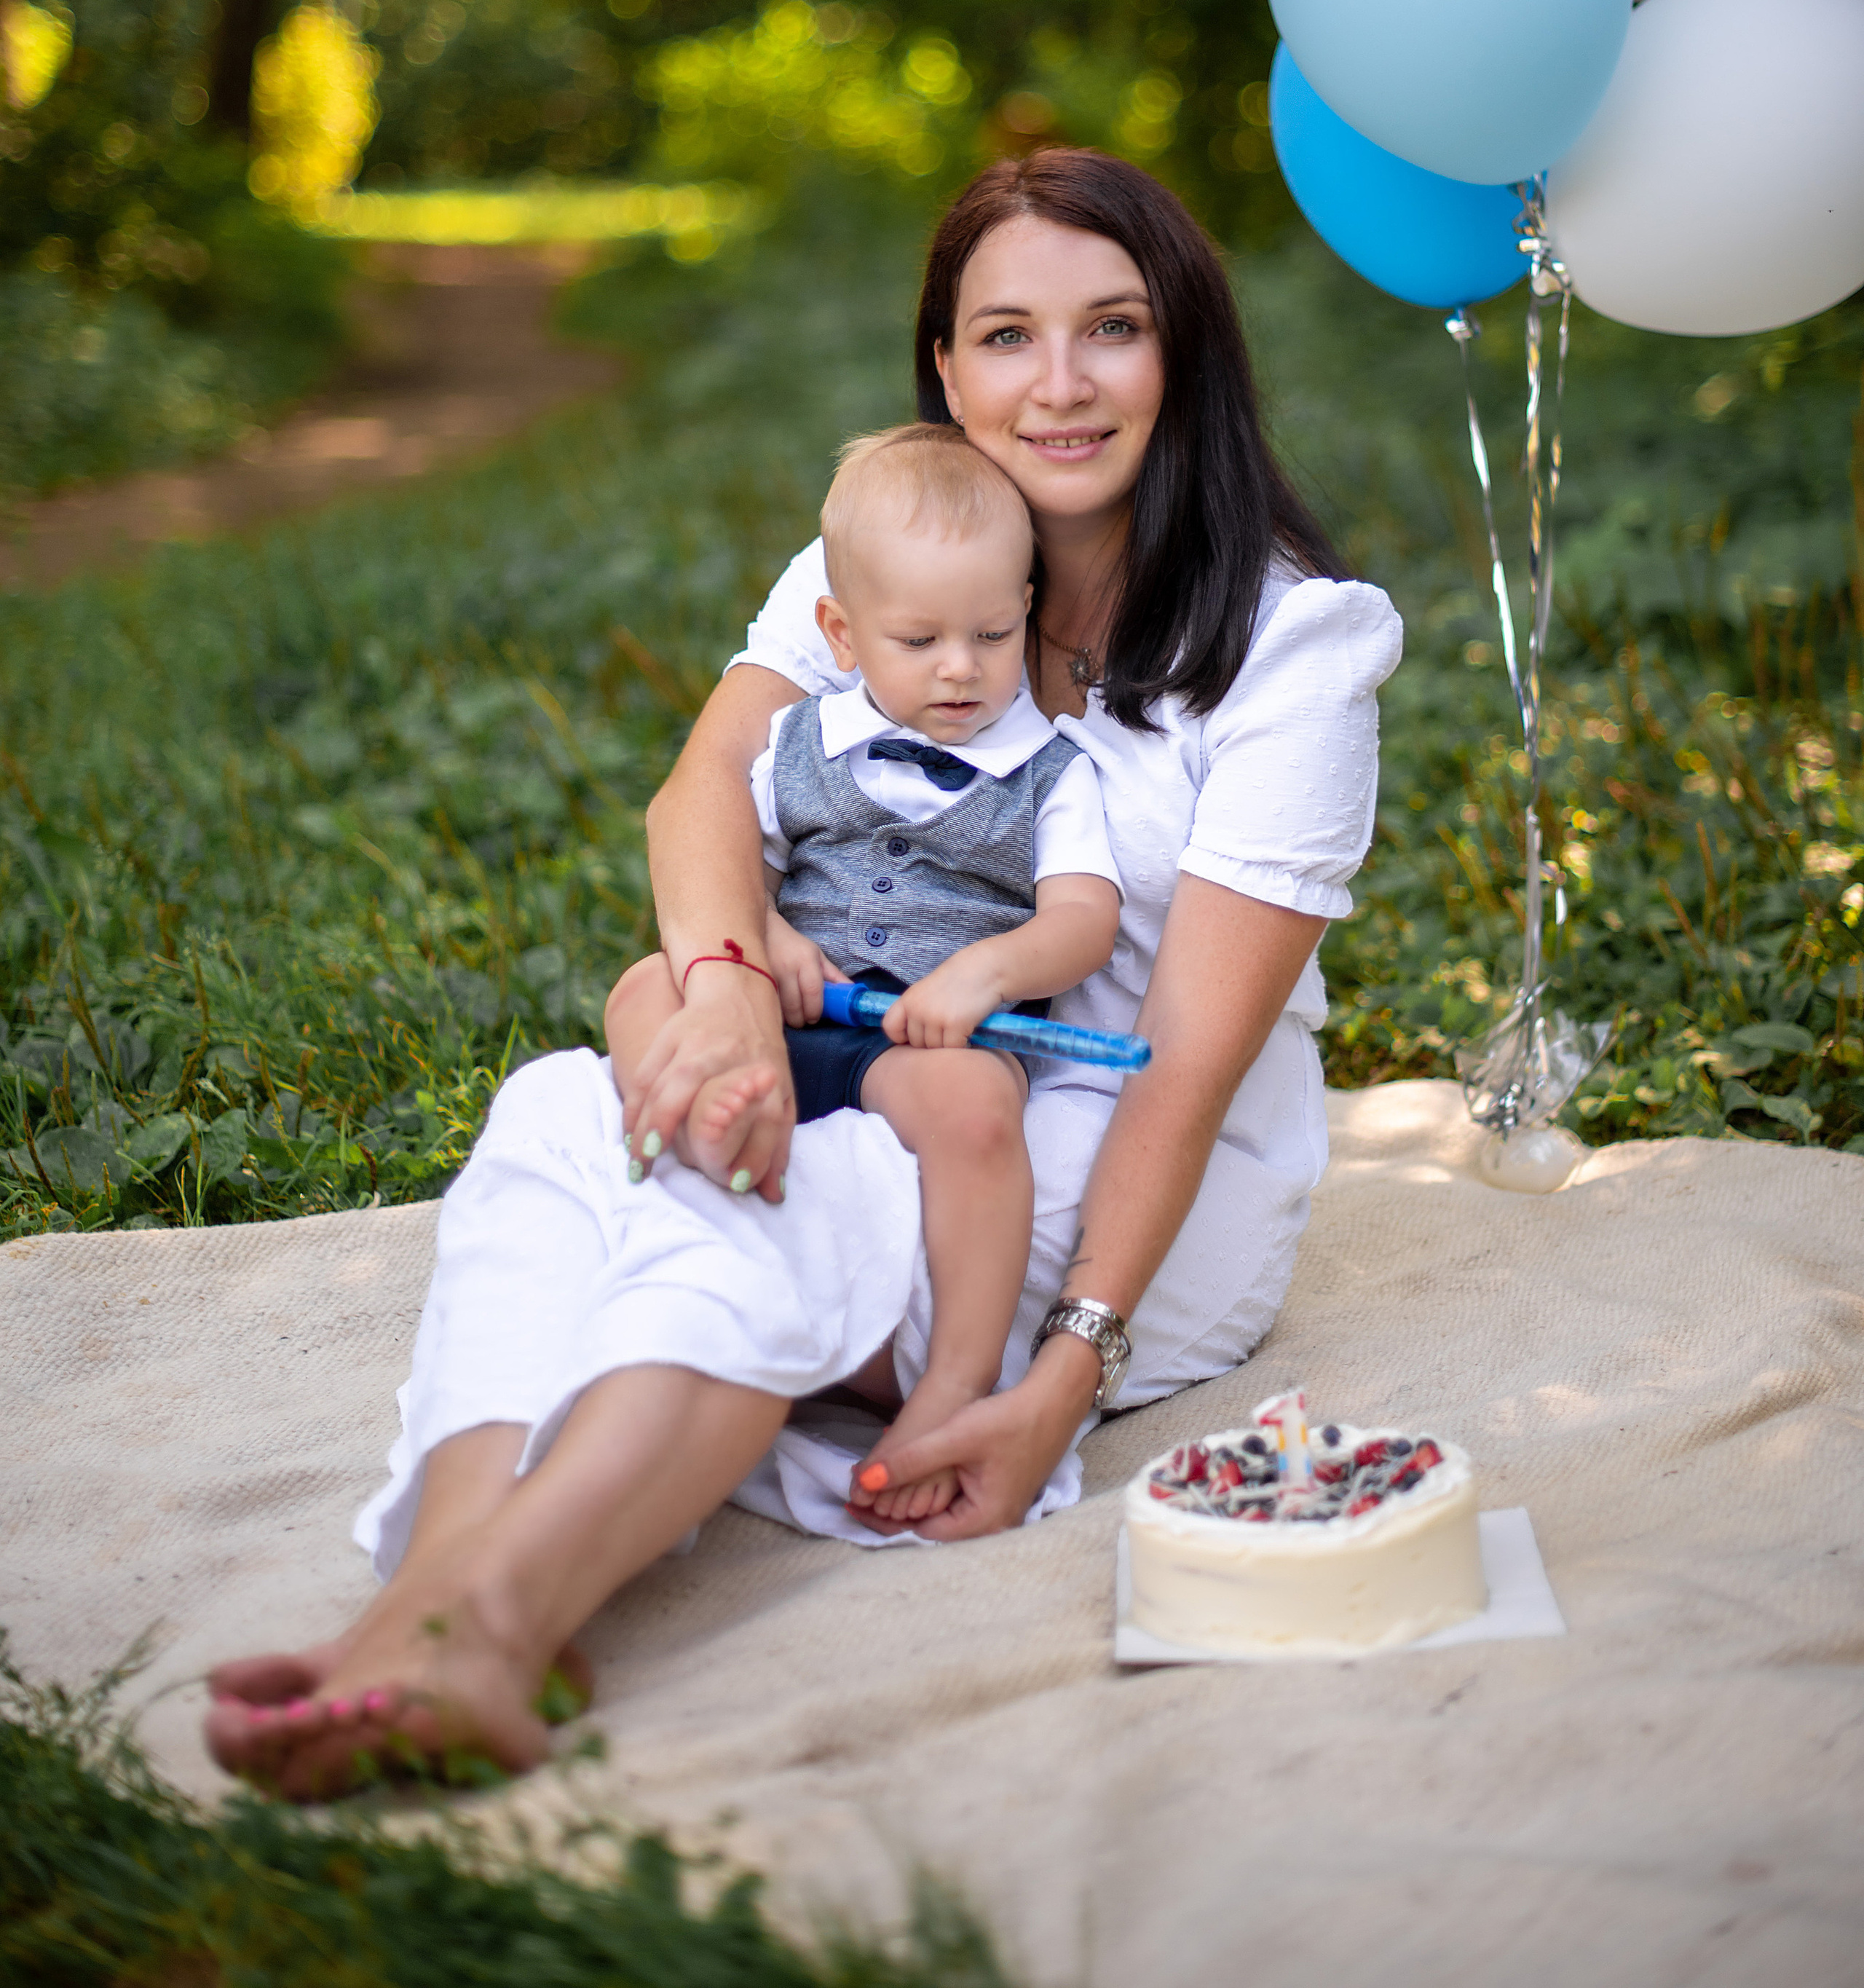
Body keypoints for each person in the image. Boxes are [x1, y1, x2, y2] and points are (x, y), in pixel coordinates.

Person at [203, 149, 1401, 1800]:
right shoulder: (897, 552)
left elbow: (1187, 1067)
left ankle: (490, 1624)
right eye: (1004, 336)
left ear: (1181, 352)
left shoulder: (1293, 647)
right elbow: (703, 789)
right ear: (942, 365)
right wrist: (711, 989)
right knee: (571, 1111)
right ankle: (424, 1614)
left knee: (762, 1198)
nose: (1056, 384)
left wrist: (1064, 1382)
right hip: (865, 1060)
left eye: (1110, 329)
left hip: (1102, 1170)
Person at [604, 420, 1122, 1525]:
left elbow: (1083, 920)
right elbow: (731, 860)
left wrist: (990, 973)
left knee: (981, 1102)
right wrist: (768, 947)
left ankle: (950, 1383)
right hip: (790, 1019)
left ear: (1027, 610)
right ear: (841, 632)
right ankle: (718, 1128)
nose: (959, 667)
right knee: (647, 987)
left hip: (924, 1041)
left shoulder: (1051, 772)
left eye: (991, 633)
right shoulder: (799, 740)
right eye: (920, 636)